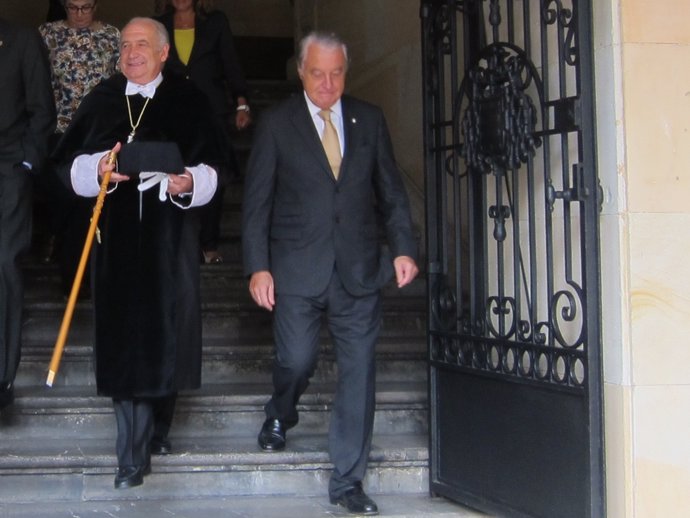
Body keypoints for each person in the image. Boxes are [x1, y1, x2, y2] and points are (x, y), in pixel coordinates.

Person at [242, 31, 419, 516]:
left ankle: (348, 482)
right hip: (297, 269)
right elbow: (256, 204)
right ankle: (280, 411)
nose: (327, 83)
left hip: (360, 270)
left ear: (346, 71)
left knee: (359, 374)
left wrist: (403, 248)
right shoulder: (278, 124)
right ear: (300, 71)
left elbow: (392, 192)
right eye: (317, 72)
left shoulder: (370, 119)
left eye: (336, 72)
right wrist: (258, 266)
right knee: (296, 361)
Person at [51, 17, 223, 489]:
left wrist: (190, 182)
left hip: (169, 244)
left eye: (142, 44)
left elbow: (215, 167)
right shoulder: (102, 99)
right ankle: (130, 454)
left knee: (164, 338)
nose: (132, 53)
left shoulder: (188, 100)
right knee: (125, 344)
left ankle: (153, 433)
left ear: (164, 52)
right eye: (125, 45)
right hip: (117, 245)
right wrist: (96, 167)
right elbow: (63, 169)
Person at [155, 0, 251, 264]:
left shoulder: (216, 22)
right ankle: (175, 243)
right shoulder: (159, 25)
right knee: (173, 175)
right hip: (172, 112)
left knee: (211, 176)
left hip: (211, 111)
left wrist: (241, 101)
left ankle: (209, 244)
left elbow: (230, 61)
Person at [39, 0, 120, 297]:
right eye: (73, 8)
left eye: (86, 7)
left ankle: (84, 277)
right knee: (65, 198)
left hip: (97, 134)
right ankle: (67, 265)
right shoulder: (47, 35)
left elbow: (118, 84)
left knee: (88, 206)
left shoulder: (112, 36)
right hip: (59, 132)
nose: (80, 14)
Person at [0, 19, 56, 410]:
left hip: (8, 167)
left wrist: (26, 163)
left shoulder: (20, 37)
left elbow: (42, 108)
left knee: (3, 261)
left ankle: (1, 379)